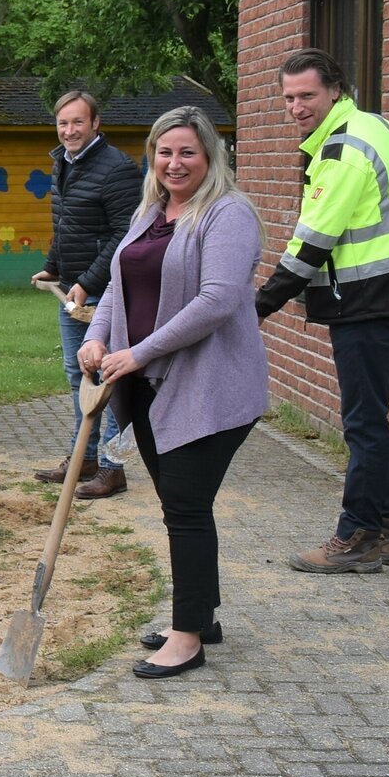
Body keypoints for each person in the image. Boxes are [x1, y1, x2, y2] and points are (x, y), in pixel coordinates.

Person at [80, 109, 268, 678]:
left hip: (208, 386)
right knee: (181, 506)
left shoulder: (228, 213)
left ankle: (187, 637)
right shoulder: (152, 210)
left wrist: (139, 352)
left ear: (209, 155)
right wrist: (96, 336)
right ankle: (200, 615)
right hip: (147, 386)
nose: (174, 163)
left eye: (187, 152)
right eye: (164, 152)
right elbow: (118, 281)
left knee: (185, 507)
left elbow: (216, 301)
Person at [257, 47, 389, 573]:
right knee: (369, 415)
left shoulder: (342, 150)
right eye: (288, 97)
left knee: (362, 421)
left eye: (306, 95)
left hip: (367, 300)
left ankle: (357, 535)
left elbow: (312, 242)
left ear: (334, 89)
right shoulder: (375, 125)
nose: (296, 106)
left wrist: (256, 305)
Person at [31, 90, 142, 500]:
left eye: (78, 122)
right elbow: (66, 224)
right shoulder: (63, 162)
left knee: (111, 381)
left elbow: (125, 235)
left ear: (96, 124)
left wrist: (90, 282)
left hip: (108, 292)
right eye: (63, 123)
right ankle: (85, 459)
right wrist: (54, 267)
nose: (69, 130)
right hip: (75, 290)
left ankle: (114, 468)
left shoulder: (117, 169)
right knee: (80, 377)